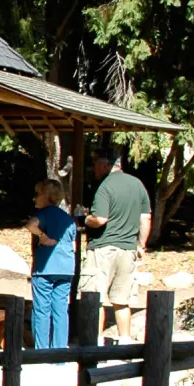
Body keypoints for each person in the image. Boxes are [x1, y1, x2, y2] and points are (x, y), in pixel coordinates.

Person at [78, 146, 152, 344]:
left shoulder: (105, 186)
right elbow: (145, 218)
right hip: (128, 249)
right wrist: (141, 245)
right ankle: (125, 342)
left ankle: (96, 342)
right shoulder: (137, 184)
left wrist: (84, 219)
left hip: (103, 248)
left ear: (106, 164)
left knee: (96, 297)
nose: (93, 168)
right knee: (122, 300)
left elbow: (100, 219)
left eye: (95, 164)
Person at [25, 178, 76, 348]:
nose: (35, 198)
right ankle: (59, 352)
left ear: (46, 196)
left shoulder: (44, 213)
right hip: (66, 269)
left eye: (38, 194)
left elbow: (31, 225)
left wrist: (42, 236)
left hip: (44, 269)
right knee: (61, 310)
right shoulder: (68, 219)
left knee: (42, 310)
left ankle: (42, 352)